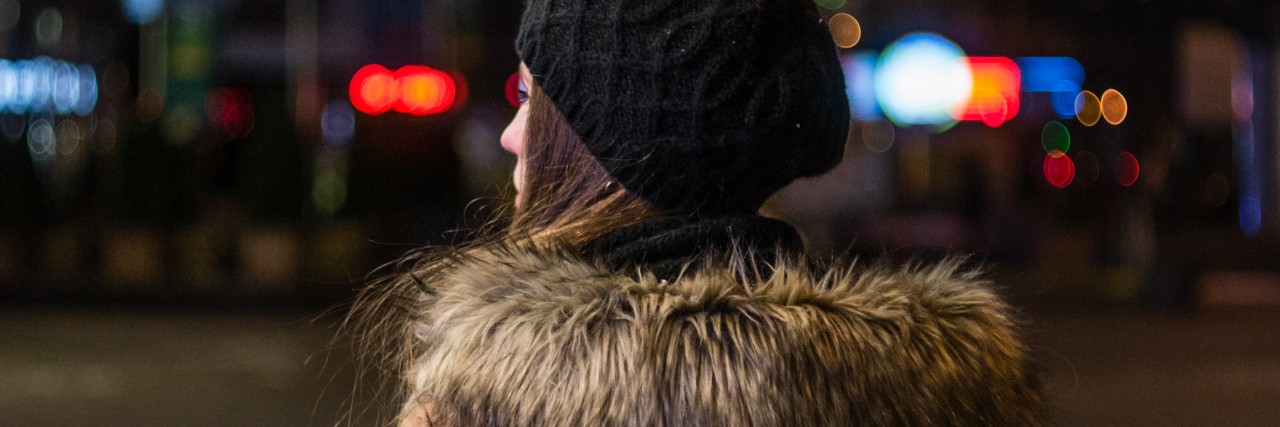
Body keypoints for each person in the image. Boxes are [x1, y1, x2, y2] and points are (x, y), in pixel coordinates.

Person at [359, 0, 1049, 425]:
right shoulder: (926, 391)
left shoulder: (486, 401)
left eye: (531, 96)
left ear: (613, 140)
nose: (513, 132)